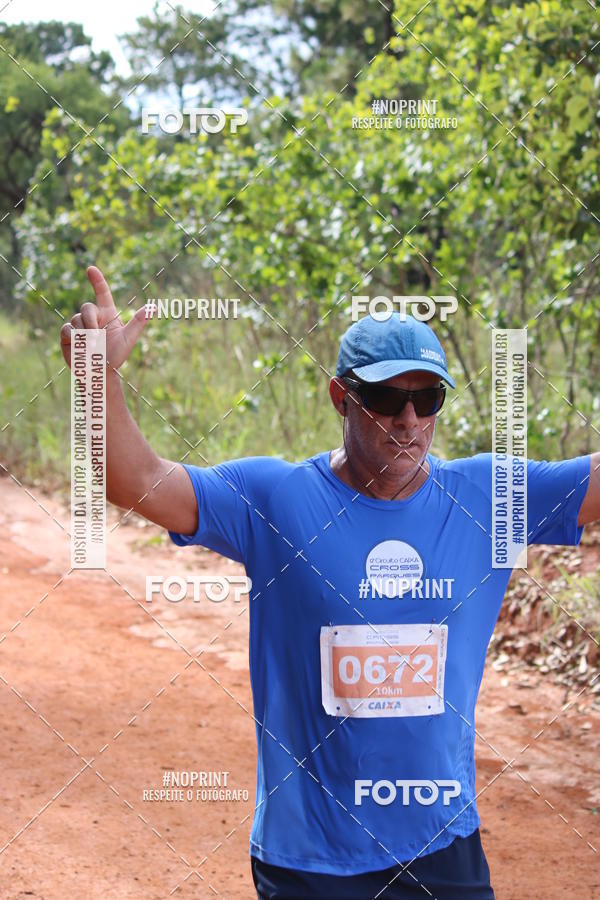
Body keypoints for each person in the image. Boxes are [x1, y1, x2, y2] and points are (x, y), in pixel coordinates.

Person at [60, 266, 600, 899]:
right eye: (385, 399)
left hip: (441, 846)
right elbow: (136, 482)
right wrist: (97, 380)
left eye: (427, 400)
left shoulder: (491, 496)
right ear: (340, 397)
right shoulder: (277, 498)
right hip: (310, 859)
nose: (408, 420)